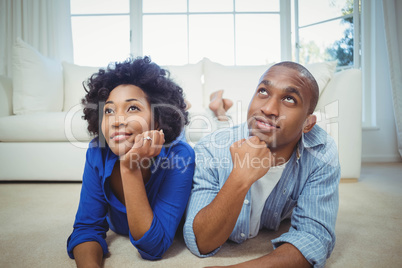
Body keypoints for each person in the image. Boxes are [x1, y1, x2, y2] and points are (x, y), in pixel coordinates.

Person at [184, 61, 340, 268]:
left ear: (308, 123)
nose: (268, 108)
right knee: (214, 126)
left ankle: (220, 109)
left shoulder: (321, 152)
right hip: (221, 137)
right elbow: (201, 242)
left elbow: (314, 238)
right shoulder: (210, 149)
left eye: (289, 99)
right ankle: (218, 109)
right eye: (263, 92)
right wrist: (240, 177)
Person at [67, 56, 195, 266]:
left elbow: (153, 247)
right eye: (109, 110)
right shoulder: (97, 152)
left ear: (156, 117)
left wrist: (129, 168)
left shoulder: (181, 156)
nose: (117, 121)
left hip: (165, 142)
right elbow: (86, 229)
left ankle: (205, 111)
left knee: (180, 135)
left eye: (132, 108)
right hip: (141, 136)